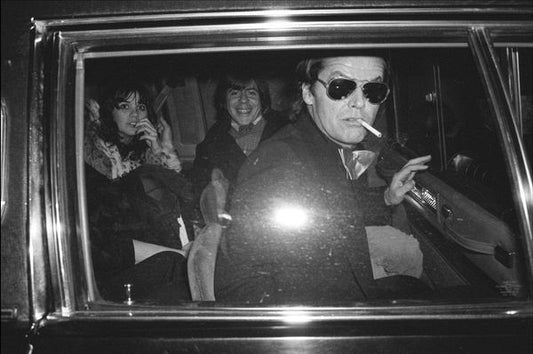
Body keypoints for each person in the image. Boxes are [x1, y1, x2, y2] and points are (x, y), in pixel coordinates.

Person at [215, 54, 432, 304]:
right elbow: (238, 287)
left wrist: (387, 196)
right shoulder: (281, 165)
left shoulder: (338, 148)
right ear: (308, 93)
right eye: (341, 87)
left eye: (373, 89)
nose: (360, 103)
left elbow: (342, 212)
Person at [84, 78, 193, 303]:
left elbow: (185, 202)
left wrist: (160, 150)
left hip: (155, 253)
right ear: (109, 112)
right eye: (125, 107)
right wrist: (176, 255)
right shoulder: (96, 163)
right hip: (114, 267)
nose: (135, 115)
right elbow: (104, 243)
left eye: (141, 107)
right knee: (179, 268)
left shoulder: (144, 156)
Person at [190, 72, 290, 206]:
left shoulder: (288, 131)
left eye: (251, 93)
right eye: (235, 93)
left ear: (262, 99)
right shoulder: (210, 143)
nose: (243, 100)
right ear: (224, 101)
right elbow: (198, 192)